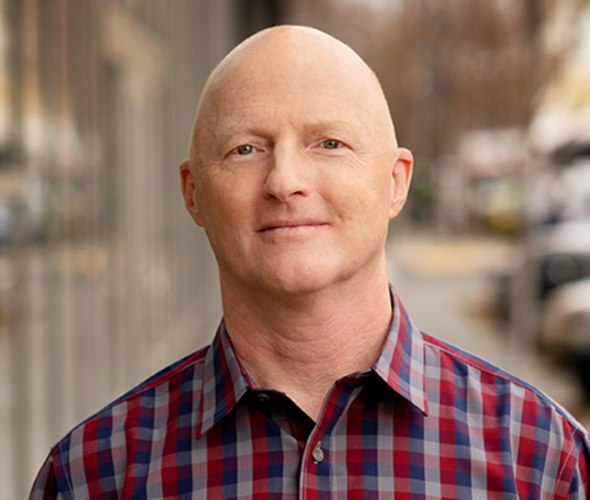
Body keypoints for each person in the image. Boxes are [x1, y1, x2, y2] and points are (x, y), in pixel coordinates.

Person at [31, 25, 589, 499]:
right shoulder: (93, 475)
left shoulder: (540, 461)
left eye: (328, 144)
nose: (285, 182)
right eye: (245, 149)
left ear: (396, 183)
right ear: (193, 193)